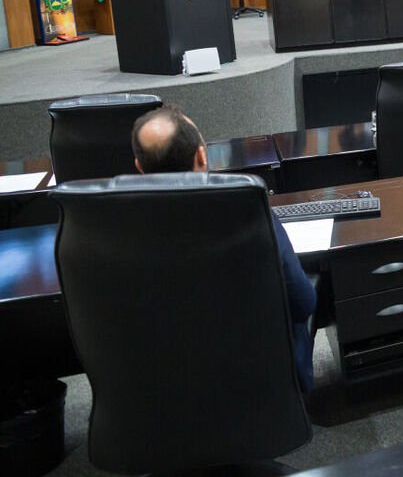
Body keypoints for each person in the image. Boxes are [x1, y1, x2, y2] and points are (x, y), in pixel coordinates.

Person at [130, 106, 317, 391]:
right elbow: (303, 303)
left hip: (169, 388)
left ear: (139, 168)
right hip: (260, 388)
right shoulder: (250, 210)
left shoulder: (118, 230)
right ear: (202, 156)